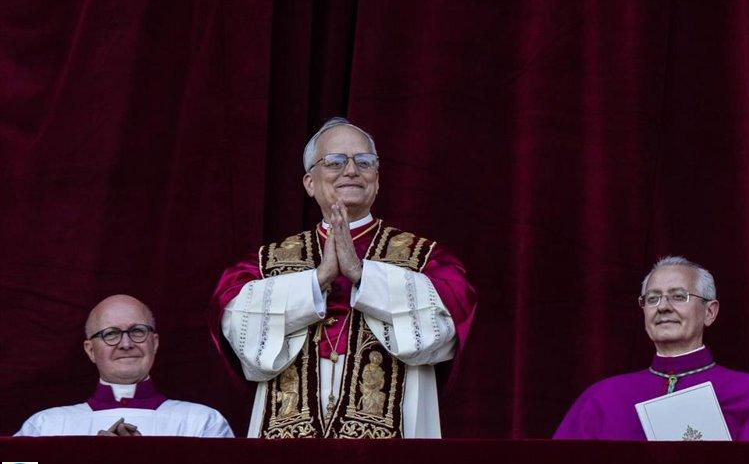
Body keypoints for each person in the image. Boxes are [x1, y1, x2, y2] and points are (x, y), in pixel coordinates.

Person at [211, 117, 476, 439]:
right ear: (309, 183)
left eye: (364, 162)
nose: (351, 170)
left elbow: (449, 316)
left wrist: (363, 275)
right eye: (335, 162)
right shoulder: (266, 262)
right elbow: (235, 321)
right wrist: (318, 279)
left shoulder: (425, 258)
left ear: (376, 180)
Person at [554, 256, 749, 441]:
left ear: (710, 312)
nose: (663, 307)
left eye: (679, 296)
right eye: (652, 298)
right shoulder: (600, 399)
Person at [16, 295, 233, 437]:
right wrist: (84, 462)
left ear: (154, 343)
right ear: (91, 350)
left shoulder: (203, 424)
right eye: (111, 334)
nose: (126, 344)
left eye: (137, 331)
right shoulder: (44, 427)